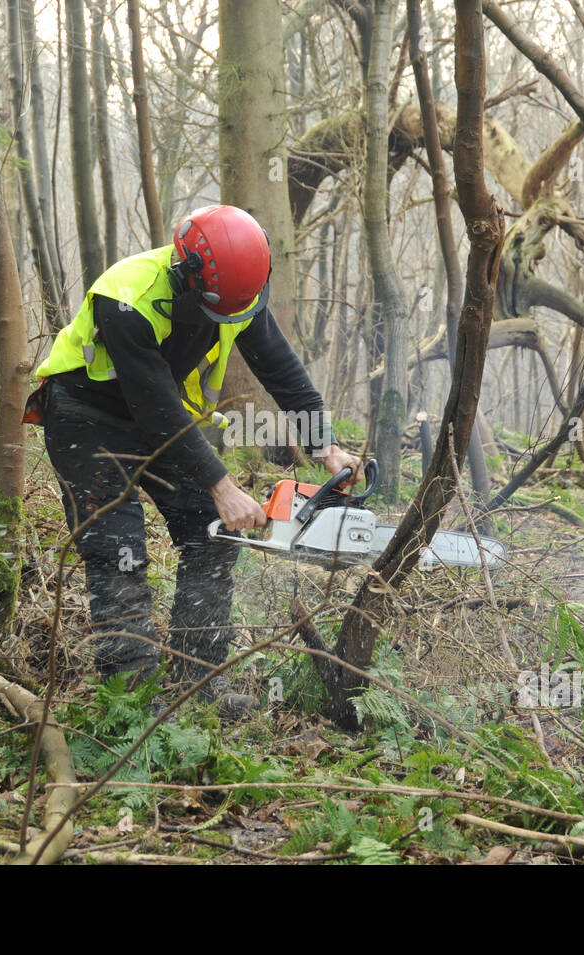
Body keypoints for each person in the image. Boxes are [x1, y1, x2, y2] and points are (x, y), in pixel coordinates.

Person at [26, 204, 358, 713]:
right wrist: (222, 485)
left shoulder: (240, 289)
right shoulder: (128, 297)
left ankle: (199, 678)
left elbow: (278, 365)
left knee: (212, 534)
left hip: (160, 419)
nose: (229, 320)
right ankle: (132, 699)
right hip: (86, 416)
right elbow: (154, 402)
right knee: (120, 549)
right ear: (186, 276)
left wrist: (325, 444)